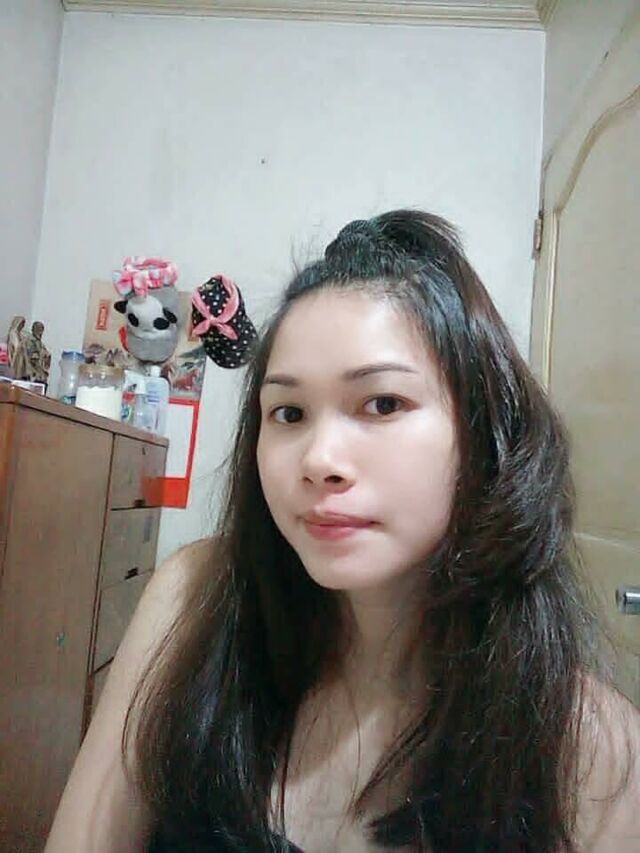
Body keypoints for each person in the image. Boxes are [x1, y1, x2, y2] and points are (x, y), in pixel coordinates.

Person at [46, 210, 640, 852]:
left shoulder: (596, 754)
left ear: (485, 433)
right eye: (289, 413)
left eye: (382, 404)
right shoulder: (192, 599)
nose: (319, 459)